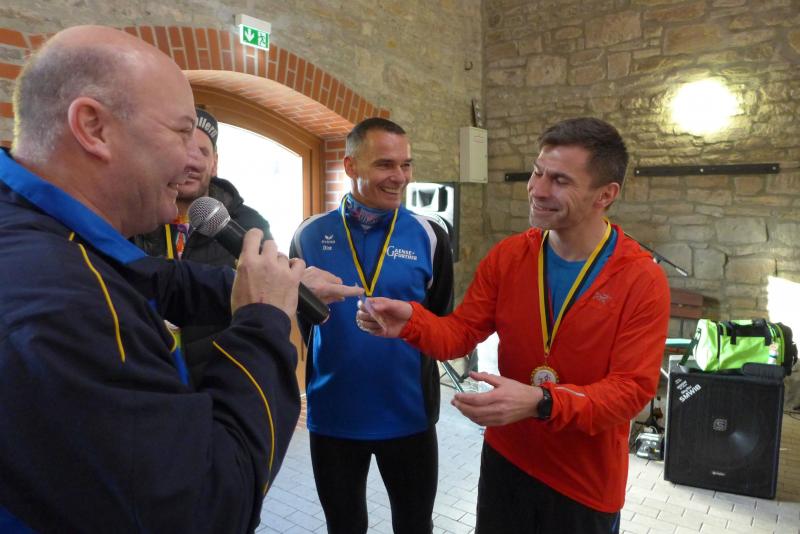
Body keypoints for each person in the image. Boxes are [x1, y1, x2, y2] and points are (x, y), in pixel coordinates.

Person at [0, 25, 354, 533]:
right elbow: (214, 508)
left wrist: (273, 287)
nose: (193, 160)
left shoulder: (38, 223)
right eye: (181, 132)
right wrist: (263, 322)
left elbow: (156, 279)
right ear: (94, 128)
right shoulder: (61, 305)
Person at [357, 117, 671, 533]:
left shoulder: (640, 278)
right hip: (508, 463)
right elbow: (460, 335)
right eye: (537, 172)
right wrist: (412, 321)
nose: (538, 189)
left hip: (584, 484)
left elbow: (630, 392)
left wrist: (542, 402)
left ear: (605, 195)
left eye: (560, 180)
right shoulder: (509, 256)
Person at [290, 117, 454, 534]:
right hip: (334, 416)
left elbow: (441, 322)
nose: (400, 177)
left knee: (414, 526)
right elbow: (305, 321)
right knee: (344, 527)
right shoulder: (309, 235)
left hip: (409, 415)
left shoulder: (430, 235)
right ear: (350, 166)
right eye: (385, 164)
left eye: (406, 164)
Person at [132, 107, 272, 386]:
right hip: (147, 383)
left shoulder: (247, 225)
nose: (193, 161)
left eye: (203, 152)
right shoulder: (132, 219)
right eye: (184, 149)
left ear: (214, 163)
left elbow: (264, 306)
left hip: (221, 383)